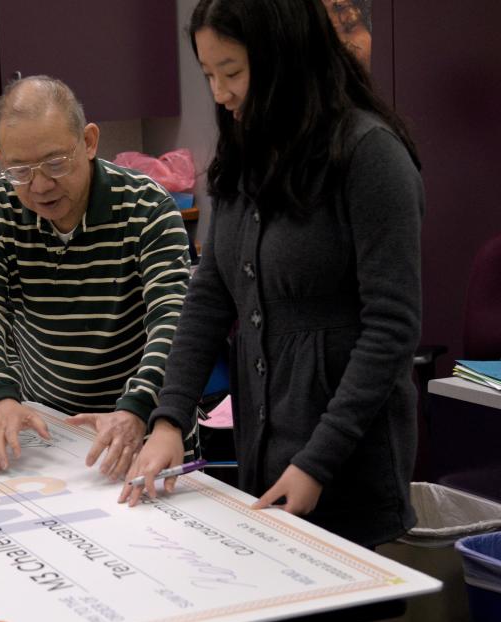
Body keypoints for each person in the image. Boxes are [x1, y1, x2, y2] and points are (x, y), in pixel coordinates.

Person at [121, 0, 424, 553]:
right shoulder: (245, 153)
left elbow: (391, 330)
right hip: (266, 446)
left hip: (342, 460)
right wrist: (168, 418)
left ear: (284, 56)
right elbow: (210, 294)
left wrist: (317, 462)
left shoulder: (370, 155)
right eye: (208, 73)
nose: (219, 92)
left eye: (231, 72)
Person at [0, 75, 192, 479]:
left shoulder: (148, 207)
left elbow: (173, 322)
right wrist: (0, 400)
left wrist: (136, 408)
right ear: (1, 159)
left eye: (55, 163)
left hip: (143, 428)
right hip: (48, 434)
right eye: (19, 170)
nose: (41, 185)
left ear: (88, 141)